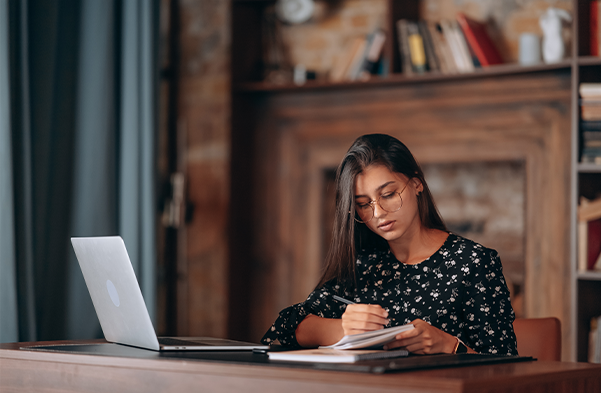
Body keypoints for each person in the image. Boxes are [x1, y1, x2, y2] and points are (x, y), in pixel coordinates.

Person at [261, 134, 518, 355]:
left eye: (388, 195)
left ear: (416, 183)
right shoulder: (363, 264)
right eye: (363, 204)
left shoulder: (473, 263)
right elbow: (284, 328)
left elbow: (508, 369)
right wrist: (339, 328)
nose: (379, 212)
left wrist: (451, 345)